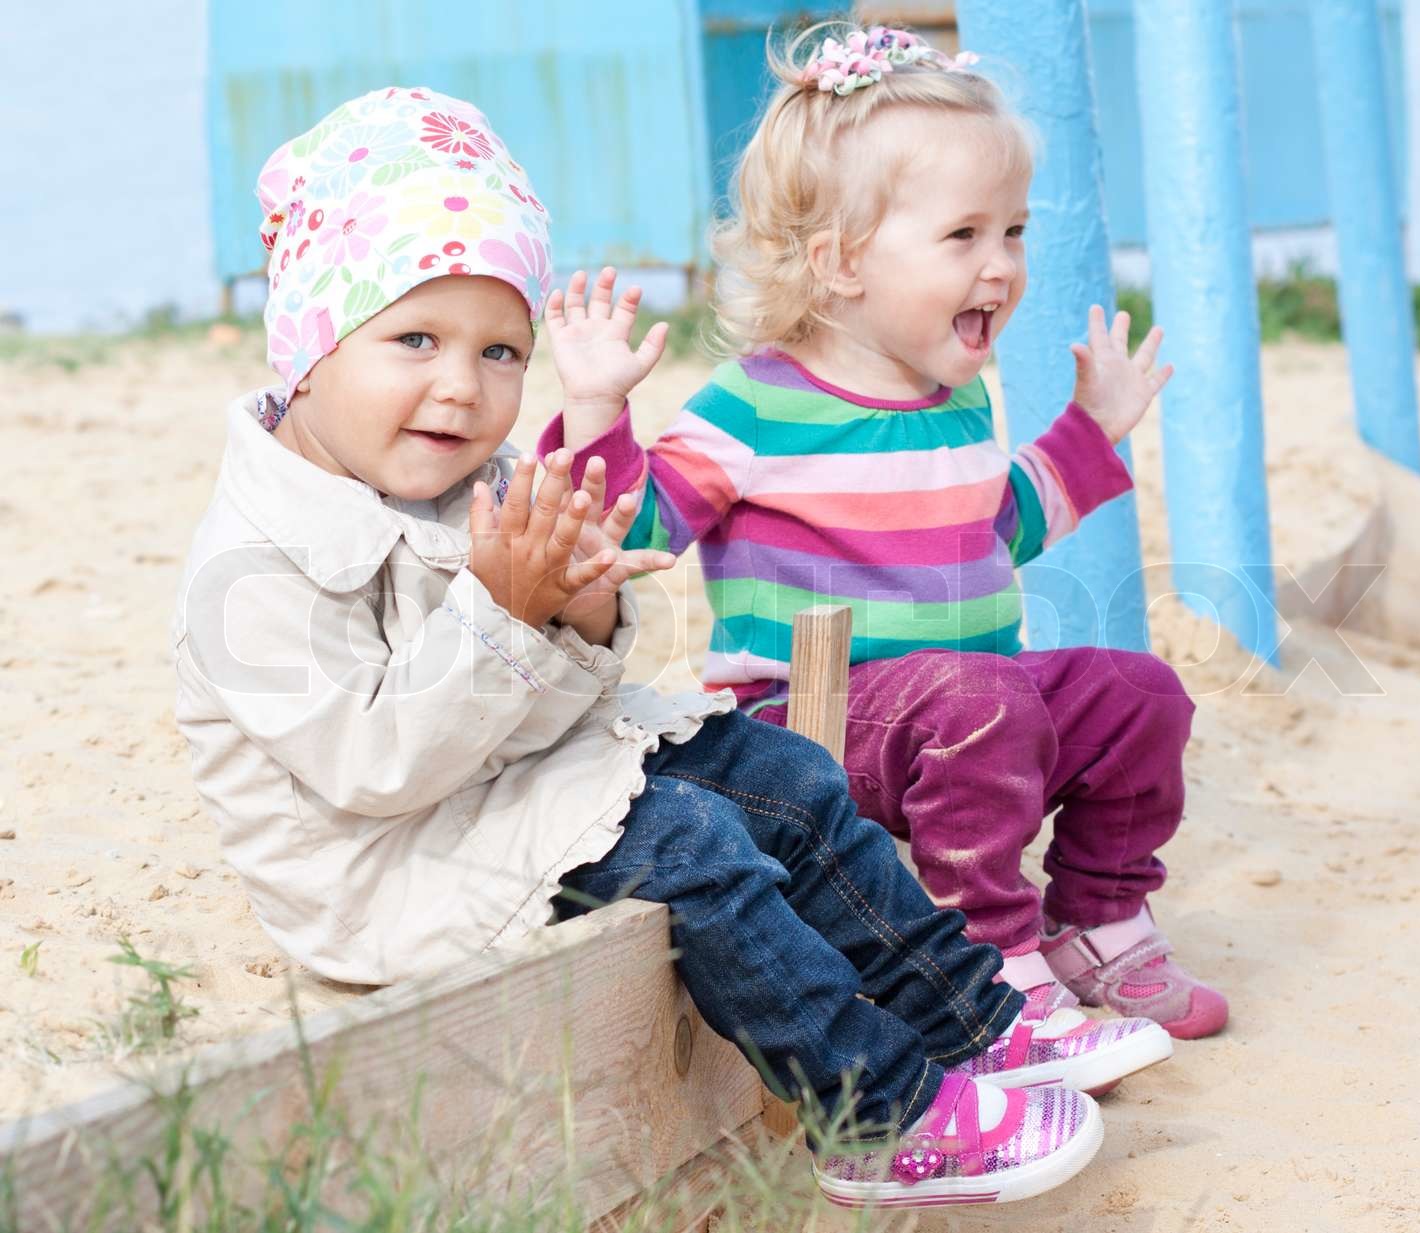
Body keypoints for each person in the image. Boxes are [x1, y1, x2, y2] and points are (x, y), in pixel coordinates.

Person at [172, 85, 1164, 1208]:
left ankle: (967, 1023)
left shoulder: (462, 484)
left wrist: (581, 611)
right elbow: (376, 770)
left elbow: (547, 703)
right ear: (307, 345)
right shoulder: (249, 567)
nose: (461, 386)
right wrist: (504, 616)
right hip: (386, 874)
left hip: (492, 800)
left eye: (501, 351)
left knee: (779, 773)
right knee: (687, 834)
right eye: (414, 340)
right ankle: (876, 1117)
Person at [537, 23, 1227, 1040]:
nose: (1000, 267)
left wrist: (1093, 432)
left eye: (1014, 233)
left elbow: (996, 528)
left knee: (1137, 694)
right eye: (963, 237)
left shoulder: (951, 400)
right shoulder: (758, 404)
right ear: (841, 261)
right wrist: (597, 409)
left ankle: (1097, 917)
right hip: (805, 729)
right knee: (979, 698)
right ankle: (988, 969)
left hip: (969, 717)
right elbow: (638, 527)